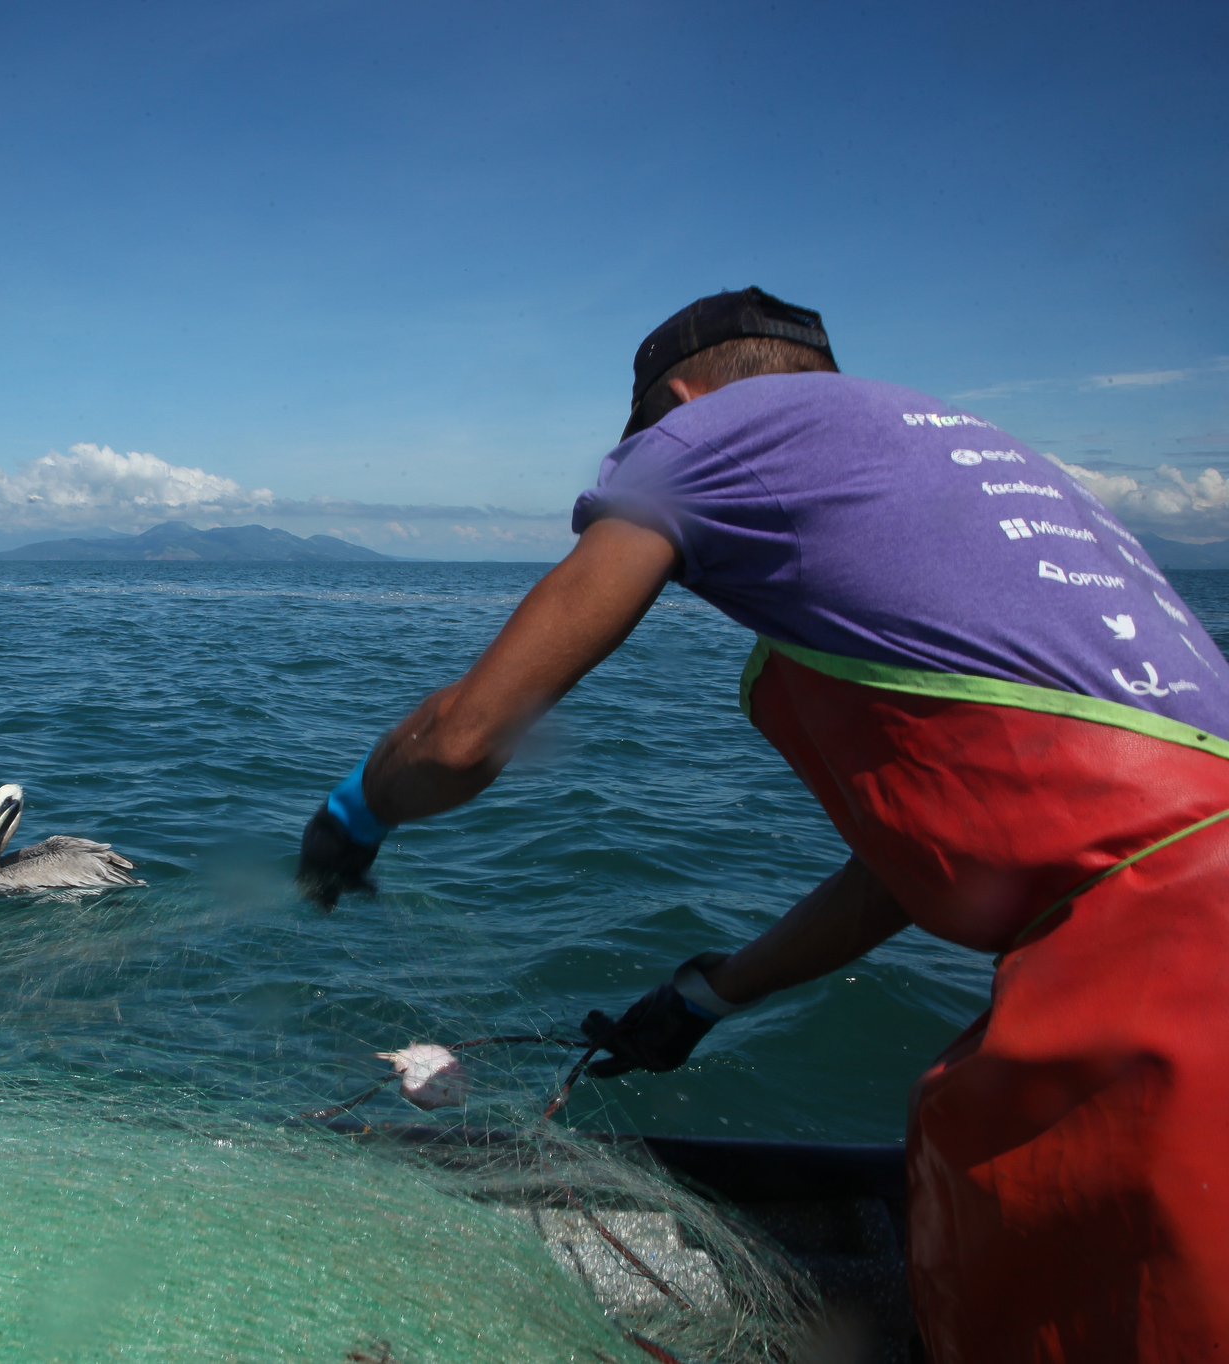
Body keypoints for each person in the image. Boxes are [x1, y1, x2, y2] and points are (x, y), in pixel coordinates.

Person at [295, 287, 1229, 1362]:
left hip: (1171, 985)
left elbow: (461, 738)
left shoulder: (705, 430)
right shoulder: (966, 465)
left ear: (677, 401)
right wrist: (704, 994)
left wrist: (352, 812)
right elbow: (913, 865)